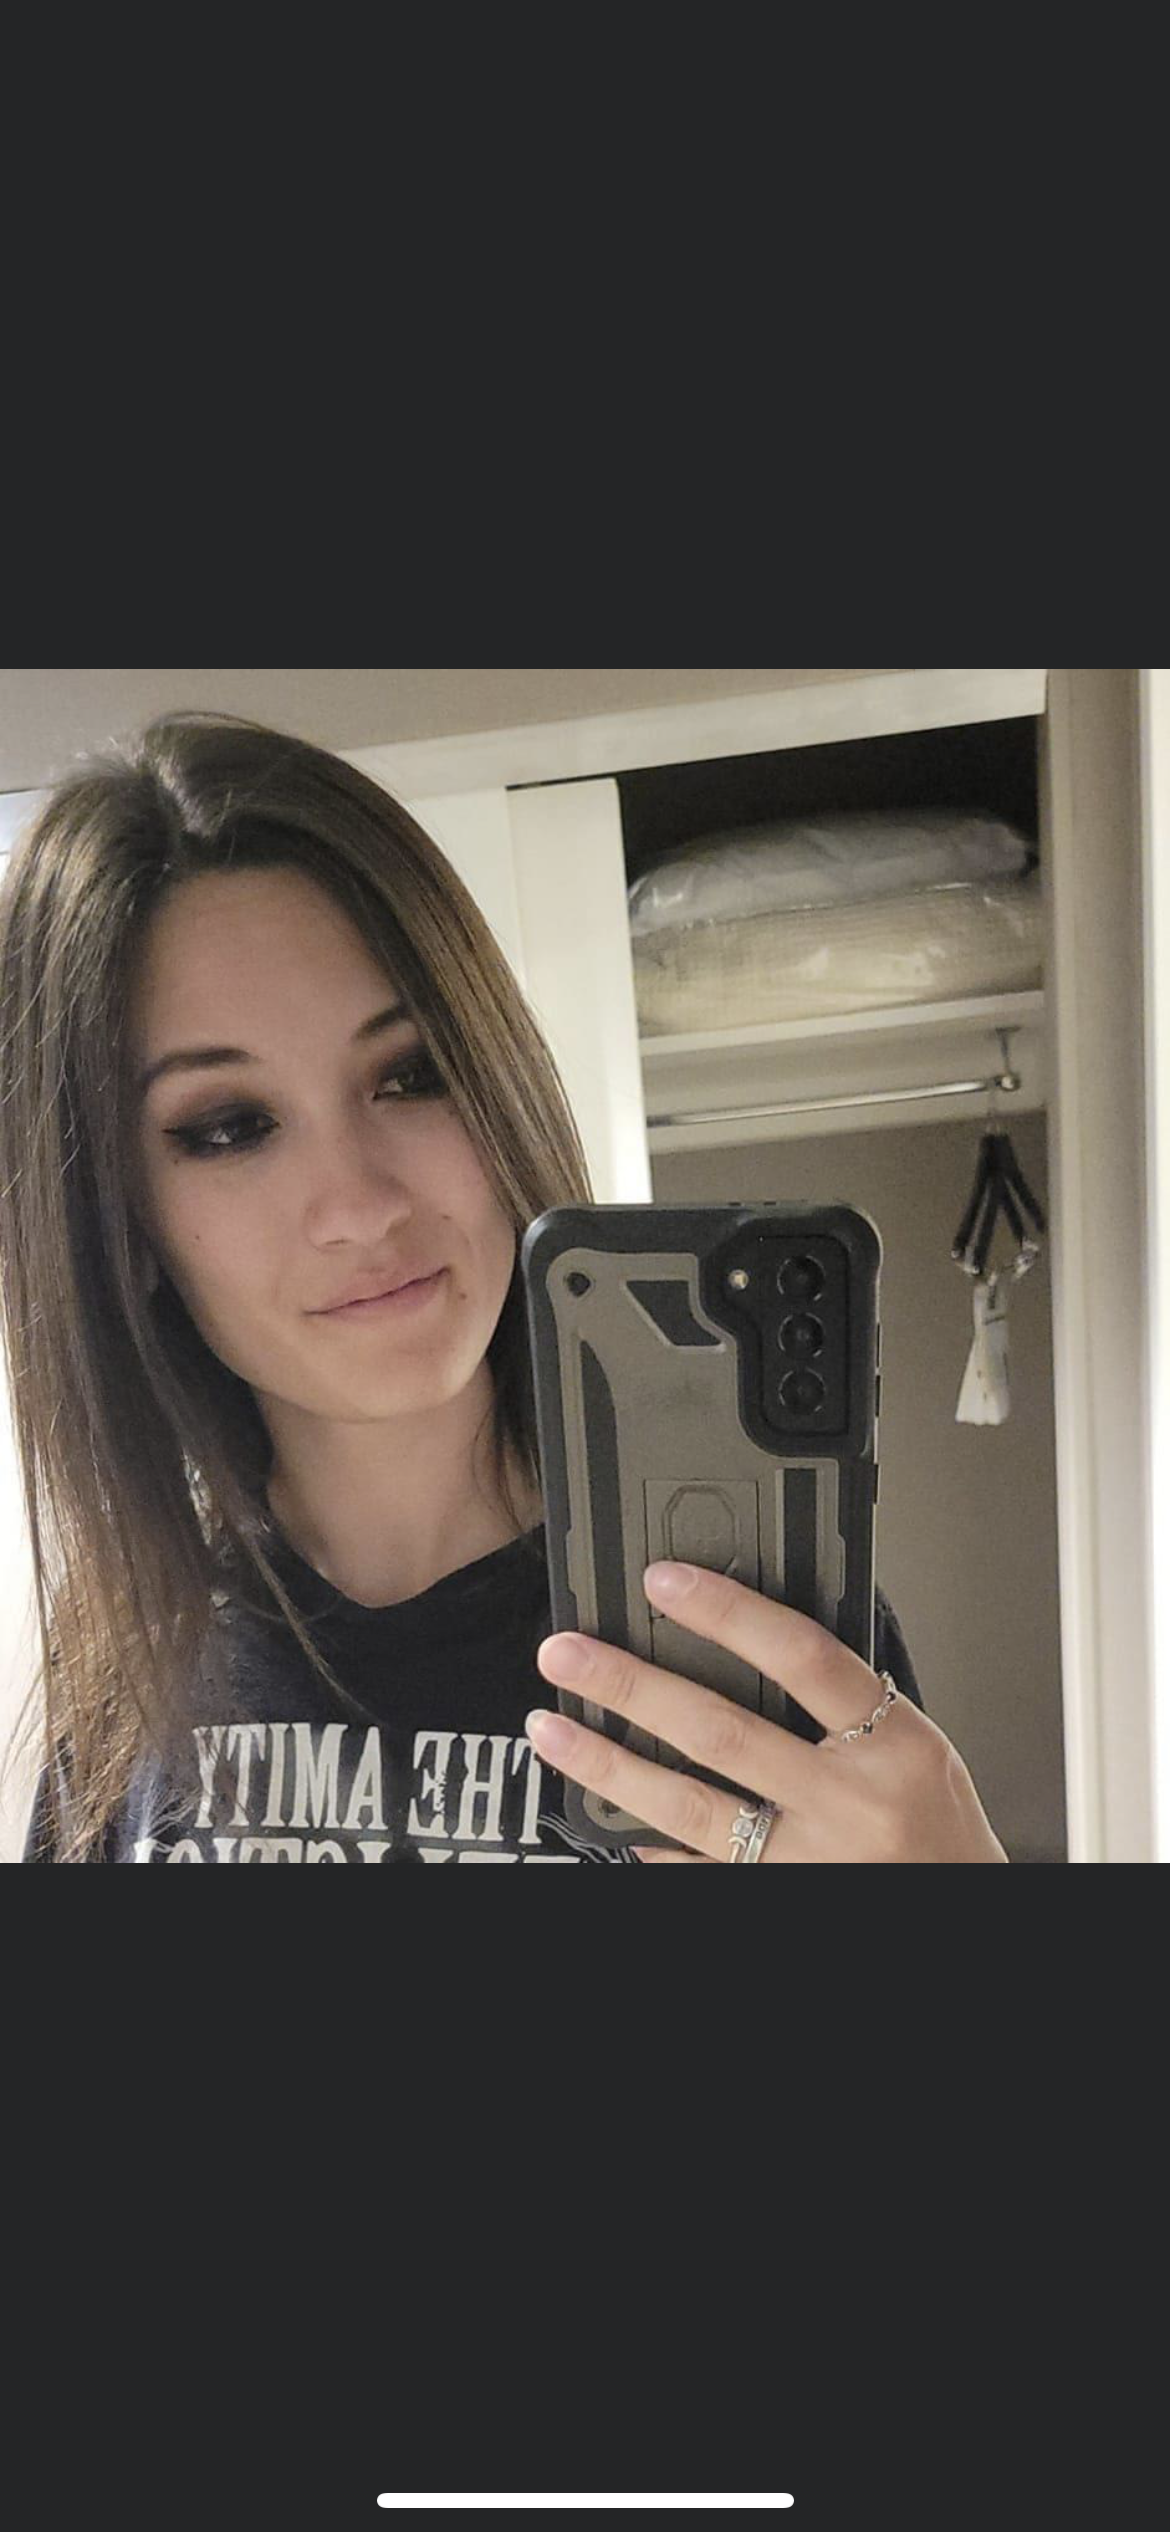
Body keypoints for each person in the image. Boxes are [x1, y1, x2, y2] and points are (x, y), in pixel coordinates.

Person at [1, 711, 1006, 1864]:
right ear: (121, 1220)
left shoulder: (749, 1635)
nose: (360, 1205)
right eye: (229, 1127)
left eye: (410, 1074)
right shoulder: (130, 1665)